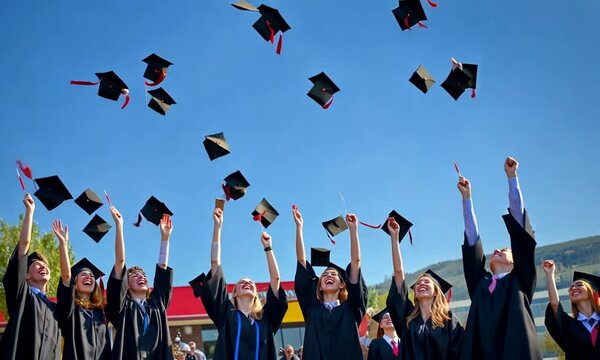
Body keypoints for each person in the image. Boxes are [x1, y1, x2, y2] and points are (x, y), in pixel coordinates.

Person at [457, 157, 541, 359]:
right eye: (496, 250)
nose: (497, 250)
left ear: (515, 261)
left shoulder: (521, 280)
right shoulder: (479, 283)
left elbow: (520, 231)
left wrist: (512, 178)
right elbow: (472, 240)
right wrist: (467, 199)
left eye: (504, 249)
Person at [189, 207, 288, 360]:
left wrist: (268, 248)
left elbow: (275, 280)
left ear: (256, 293)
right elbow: (215, 263)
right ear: (234, 293)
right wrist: (218, 227)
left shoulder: (266, 318)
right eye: (241, 283)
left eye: (250, 283)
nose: (247, 283)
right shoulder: (226, 314)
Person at [293, 206, 367, 360]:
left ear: (342, 284)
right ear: (319, 285)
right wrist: (299, 227)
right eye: (325, 275)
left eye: (334, 274)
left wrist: (353, 230)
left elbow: (356, 262)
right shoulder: (311, 307)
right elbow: (301, 261)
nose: (328, 275)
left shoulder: (352, 308)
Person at [386, 216, 463, 360]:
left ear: (436, 292)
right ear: (414, 293)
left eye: (427, 282)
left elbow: (461, 353)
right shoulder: (407, 319)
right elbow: (398, 274)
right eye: (418, 283)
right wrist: (394, 238)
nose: (421, 284)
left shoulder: (449, 320)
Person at [105, 206, 175, 359]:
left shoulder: (157, 305)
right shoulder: (122, 308)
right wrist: (119, 226)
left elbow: (162, 269)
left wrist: (165, 239)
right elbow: (120, 262)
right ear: (126, 284)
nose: (141, 276)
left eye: (143, 275)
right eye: (135, 275)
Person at [0, 193, 61, 359]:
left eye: (46, 265)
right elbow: (24, 246)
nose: (43, 267)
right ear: (26, 275)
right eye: (37, 265)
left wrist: (63, 244)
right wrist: (30, 212)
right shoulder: (22, 295)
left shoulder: (54, 309)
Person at [52, 219, 111, 359]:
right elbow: (66, 276)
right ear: (75, 282)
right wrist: (63, 244)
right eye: (83, 275)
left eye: (91, 276)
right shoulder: (70, 308)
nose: (89, 278)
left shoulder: (100, 312)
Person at [543, 260, 600, 358]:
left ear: (593, 292)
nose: (573, 288)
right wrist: (550, 274)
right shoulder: (568, 326)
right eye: (571, 288)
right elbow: (554, 304)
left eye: (579, 285)